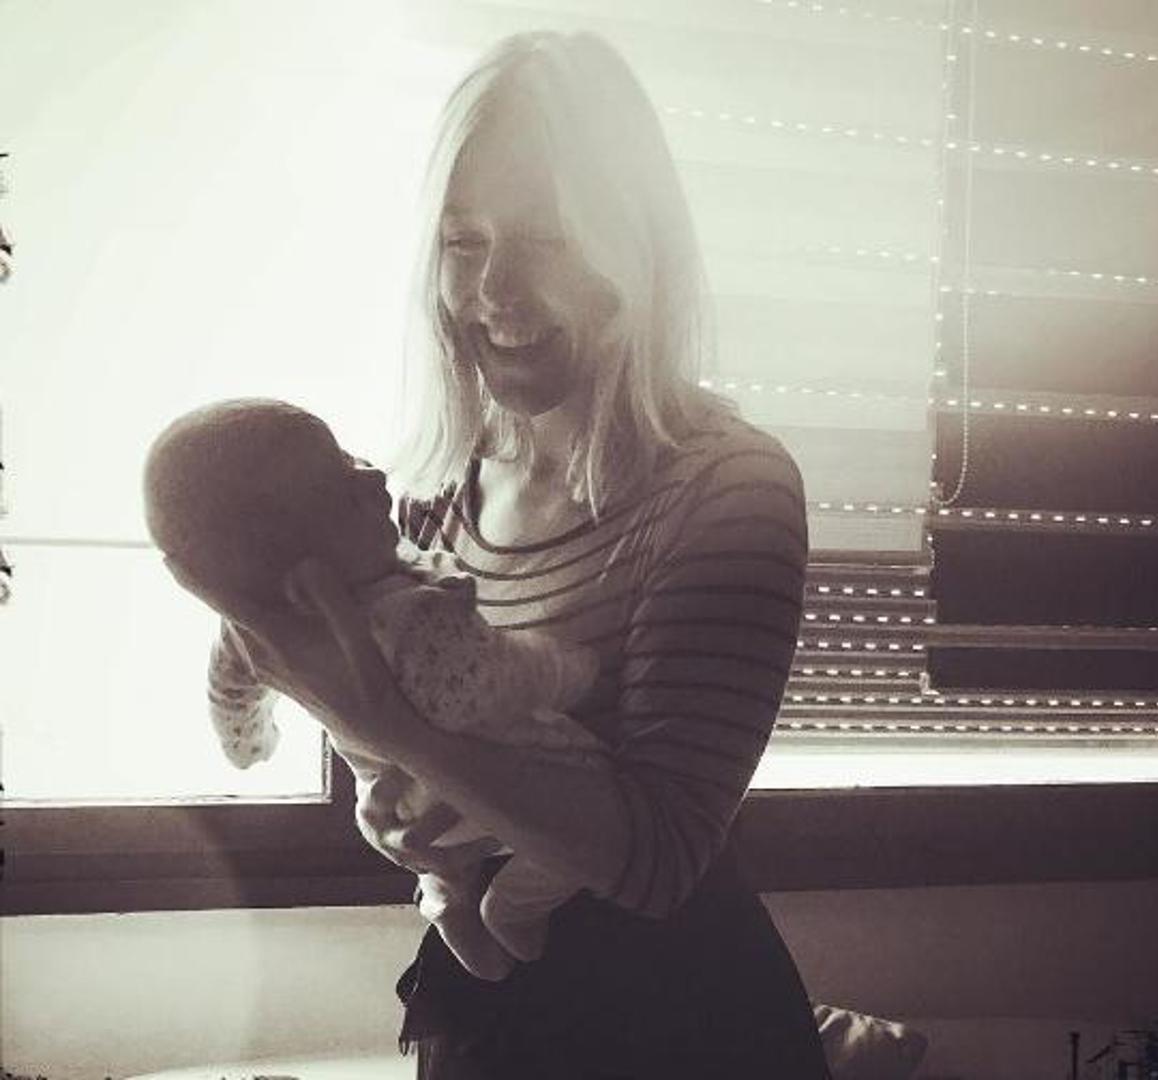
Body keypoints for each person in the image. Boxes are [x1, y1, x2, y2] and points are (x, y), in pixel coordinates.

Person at [173, 30, 829, 1080]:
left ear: (636, 244)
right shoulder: (429, 487)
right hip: (485, 1002)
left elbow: (660, 861)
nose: (495, 291)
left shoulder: (726, 489)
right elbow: (423, 749)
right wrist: (401, 821)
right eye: (463, 240)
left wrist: (397, 734)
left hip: (676, 1022)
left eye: (549, 238)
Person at [143, 398, 607, 981]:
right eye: (344, 490)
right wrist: (569, 670)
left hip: (401, 805)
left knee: (443, 856)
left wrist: (251, 743)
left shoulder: (254, 633)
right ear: (302, 566)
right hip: (491, 780)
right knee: (592, 812)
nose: (374, 476)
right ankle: (513, 907)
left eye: (349, 456)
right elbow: (493, 686)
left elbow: (229, 697)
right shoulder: (413, 619)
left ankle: (445, 902)